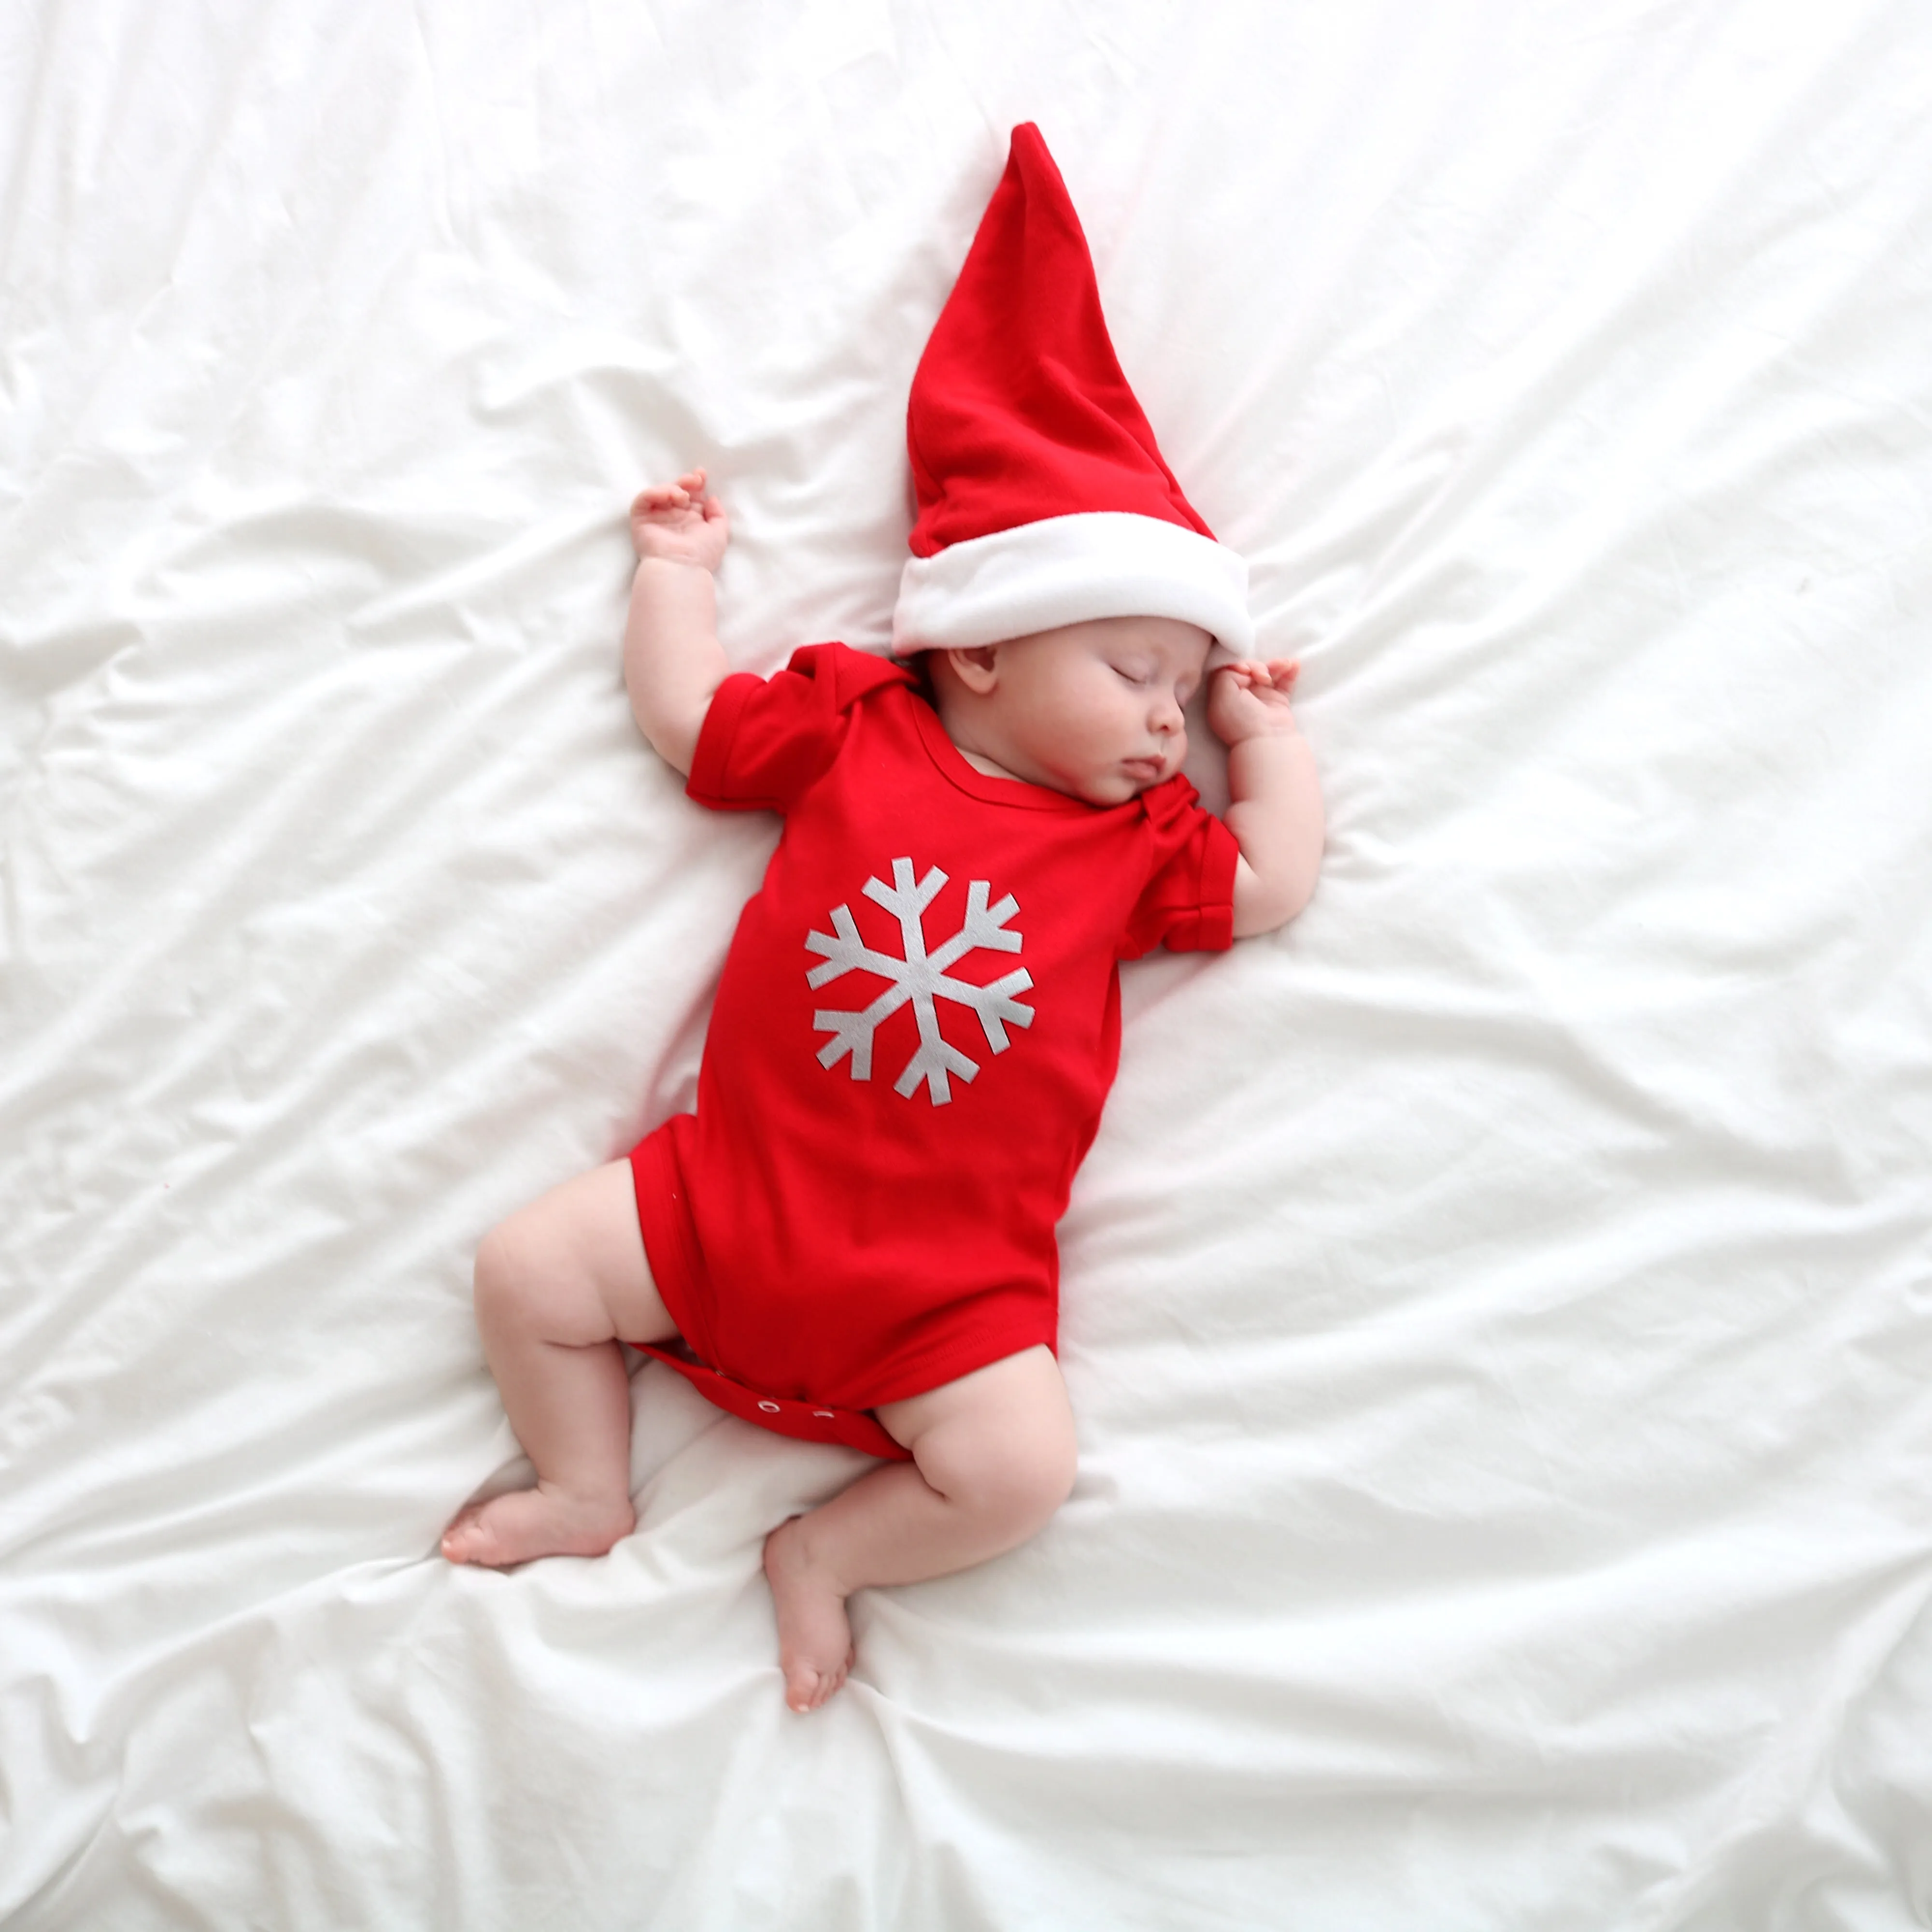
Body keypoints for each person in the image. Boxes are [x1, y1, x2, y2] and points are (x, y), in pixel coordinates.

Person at [441, 126, 1325, 1715]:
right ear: (979, 645)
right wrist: (677, 575)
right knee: (524, 1271)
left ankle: (827, 1555)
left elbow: (1269, 887)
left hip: (951, 1293)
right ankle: (587, 1488)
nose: (1165, 722)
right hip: (725, 1201)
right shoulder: (861, 727)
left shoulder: (1140, 841)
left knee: (1018, 1470)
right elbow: (688, 719)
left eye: (1188, 694)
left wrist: (1267, 746)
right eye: (1135, 673)